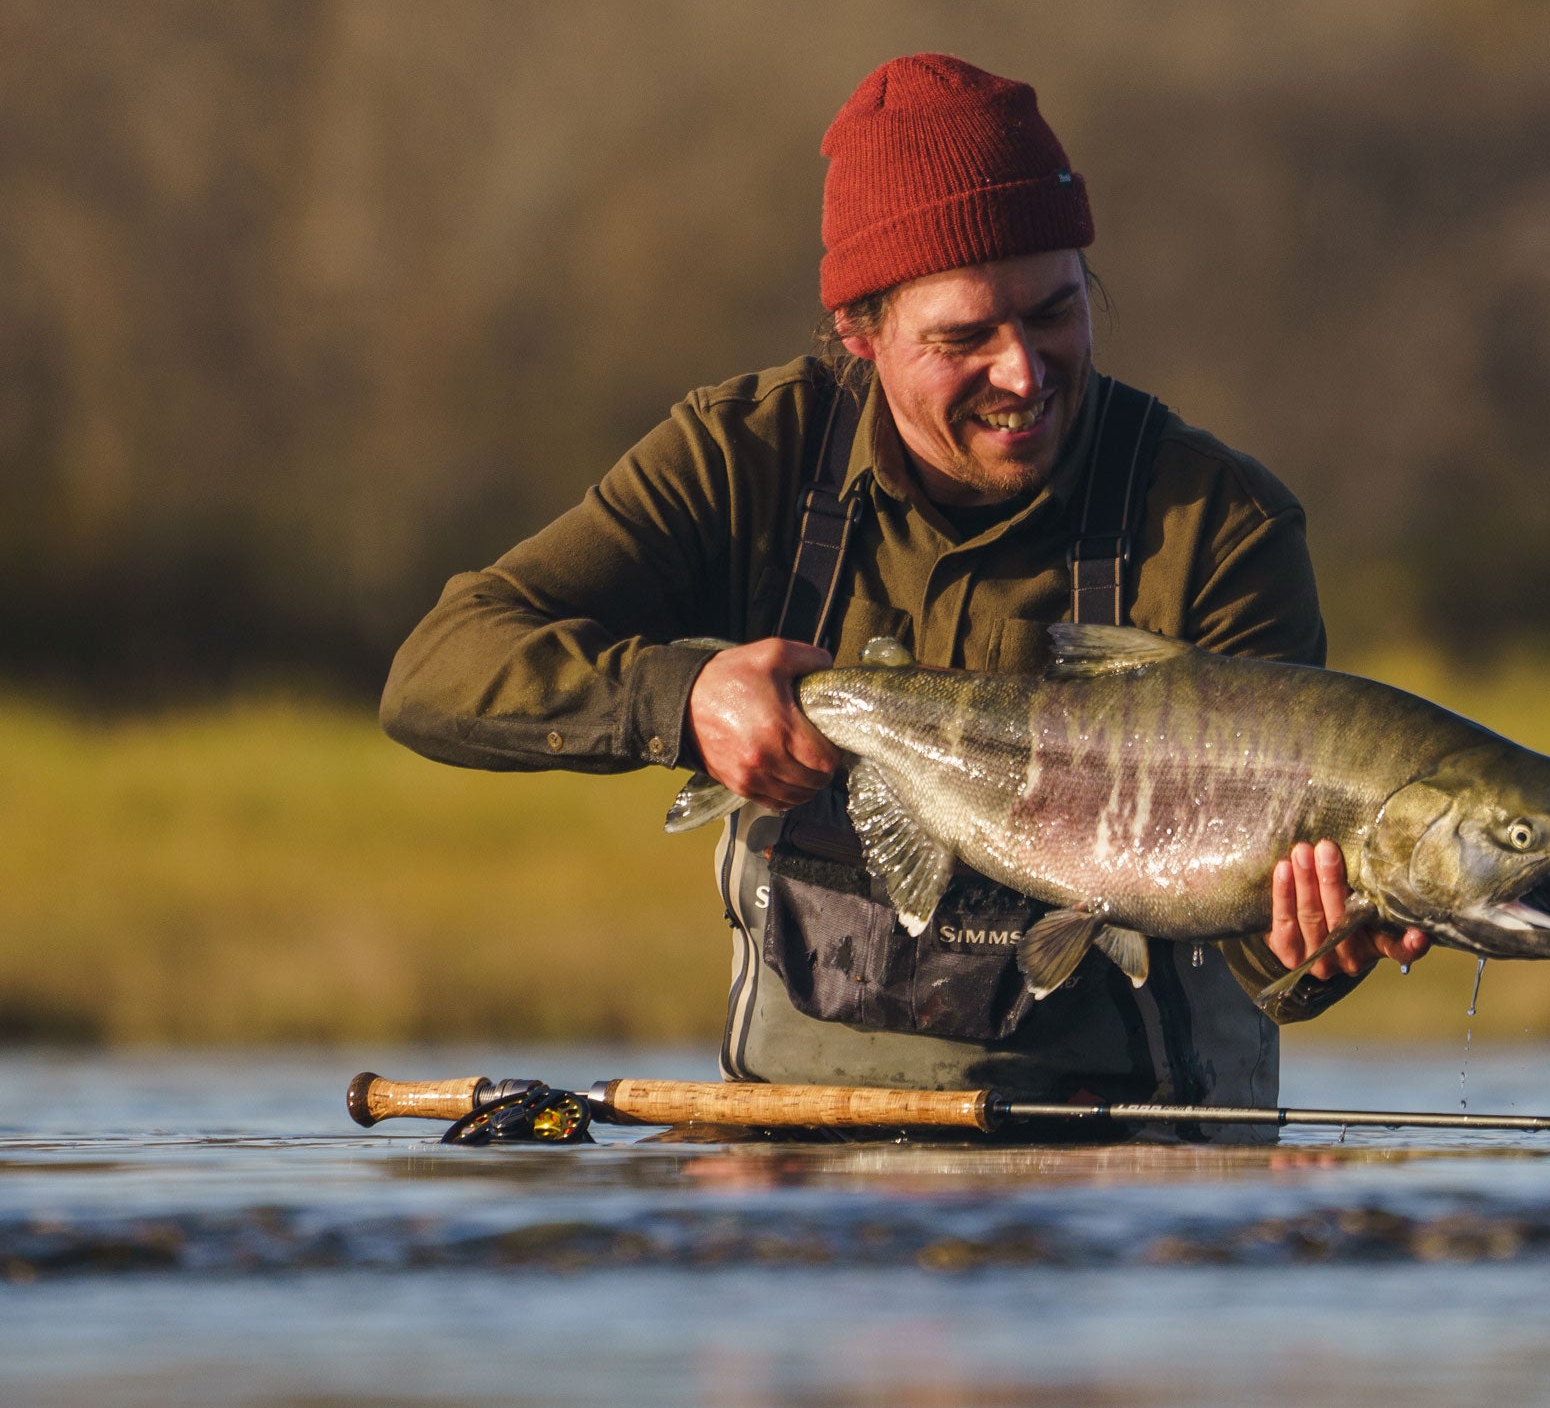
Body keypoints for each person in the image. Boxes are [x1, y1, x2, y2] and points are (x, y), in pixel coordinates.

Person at [380, 54, 1428, 1117]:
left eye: (1055, 313)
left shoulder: (1215, 522)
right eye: (964, 336)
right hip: (801, 1197)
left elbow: (1266, 972)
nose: (1022, 370)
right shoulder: (746, 457)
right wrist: (683, 700)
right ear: (860, 332)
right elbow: (438, 668)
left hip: (1130, 1206)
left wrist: (1319, 946)